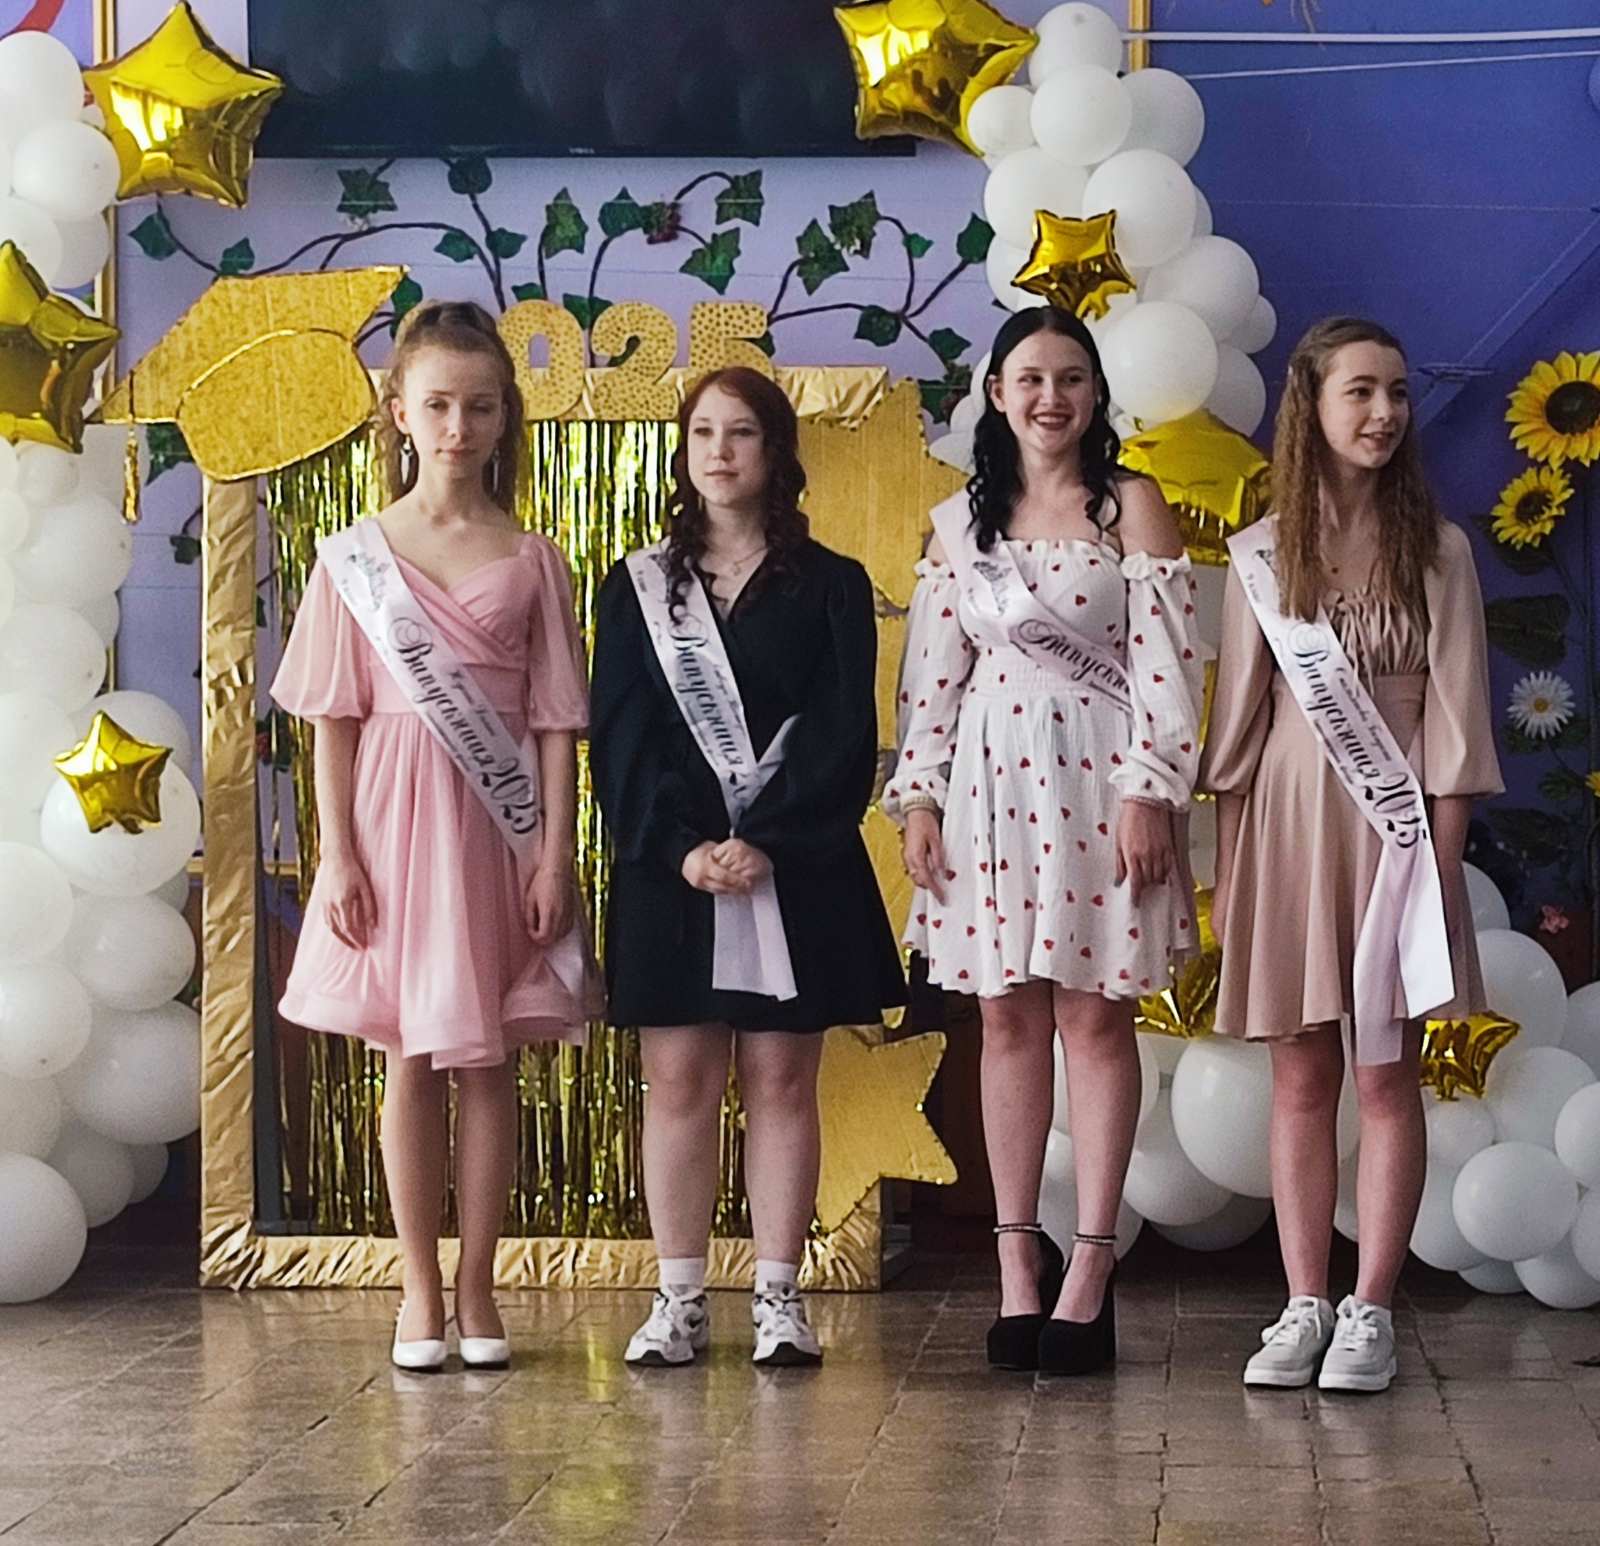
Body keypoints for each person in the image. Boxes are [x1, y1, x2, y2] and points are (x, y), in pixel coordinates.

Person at [272, 300, 602, 1372]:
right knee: (409, 1055)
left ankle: (478, 1286)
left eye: (481, 407)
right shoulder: (353, 559)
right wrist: (336, 854)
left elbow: (555, 723)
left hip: (495, 831)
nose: (459, 427)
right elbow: (331, 721)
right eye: (440, 405)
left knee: (489, 1057)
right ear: (399, 412)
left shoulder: (536, 558)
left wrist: (553, 853)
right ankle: (418, 1287)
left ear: (506, 418)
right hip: (389, 819)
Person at [885, 307, 1205, 1375]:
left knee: (1095, 1019)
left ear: (1095, 393)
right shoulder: (958, 528)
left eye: (1071, 378)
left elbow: (1167, 669)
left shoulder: (1131, 507)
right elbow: (933, 682)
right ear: (996, 393)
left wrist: (1151, 793)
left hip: (1100, 786)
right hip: (989, 793)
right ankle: (1016, 1259)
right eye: (1029, 377)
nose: (1050, 397)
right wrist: (920, 800)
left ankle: (1092, 1265)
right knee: (1004, 1018)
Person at [1202, 317, 1502, 1393]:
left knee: (1384, 1075)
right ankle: (1301, 1303)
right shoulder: (1262, 550)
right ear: (1313, 406)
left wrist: (1437, 876)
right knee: (1298, 1075)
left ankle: (1371, 1307)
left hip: (1399, 835)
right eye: (1361, 392)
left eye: (1397, 393)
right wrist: (1235, 876)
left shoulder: (1441, 551)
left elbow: (1458, 731)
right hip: (1289, 831)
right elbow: (1237, 735)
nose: (1384, 413)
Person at [590, 365, 906, 1368]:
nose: (720, 452)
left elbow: (843, 732)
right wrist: (682, 848)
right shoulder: (638, 586)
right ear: (683, 454)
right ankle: (678, 1298)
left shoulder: (834, 583)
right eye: (703, 434)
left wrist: (768, 838)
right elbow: (620, 737)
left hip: (794, 865)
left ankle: (779, 1296)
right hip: (670, 870)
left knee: (781, 1077)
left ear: (776, 450)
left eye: (741, 433)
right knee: (678, 1077)